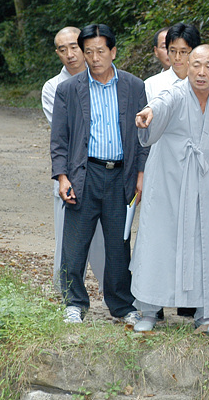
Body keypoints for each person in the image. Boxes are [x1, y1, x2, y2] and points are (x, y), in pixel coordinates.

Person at [131, 44, 209, 334]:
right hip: (168, 184)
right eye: (196, 65)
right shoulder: (176, 93)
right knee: (159, 243)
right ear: (186, 67)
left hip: (206, 185)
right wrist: (148, 113)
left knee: (207, 245)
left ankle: (205, 315)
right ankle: (149, 311)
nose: (201, 72)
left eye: (208, 66)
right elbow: (161, 104)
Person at [50, 23, 149, 325]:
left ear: (113, 51)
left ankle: (121, 305)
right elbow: (59, 139)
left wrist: (142, 173)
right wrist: (62, 176)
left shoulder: (134, 86)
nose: (94, 58)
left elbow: (143, 136)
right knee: (75, 242)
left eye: (100, 51)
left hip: (121, 174)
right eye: (88, 51)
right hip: (85, 173)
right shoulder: (69, 89)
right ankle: (74, 303)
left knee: (119, 244)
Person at [41, 26, 105, 293]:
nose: (69, 54)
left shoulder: (106, 79)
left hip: (106, 171)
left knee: (107, 238)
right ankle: (65, 292)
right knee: (67, 237)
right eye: (62, 49)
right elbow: (64, 133)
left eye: (74, 47)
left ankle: (115, 293)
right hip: (71, 172)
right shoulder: (53, 88)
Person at [144, 25, 199, 101]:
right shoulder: (151, 86)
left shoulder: (203, 83)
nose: (177, 58)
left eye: (183, 52)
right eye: (173, 51)